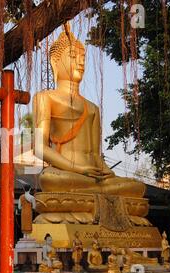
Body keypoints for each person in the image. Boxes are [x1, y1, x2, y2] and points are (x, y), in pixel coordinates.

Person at [33, 23, 145, 197]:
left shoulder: (92, 108)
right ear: (55, 62)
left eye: (83, 57)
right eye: (73, 56)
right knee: (49, 180)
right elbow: (39, 148)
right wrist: (78, 169)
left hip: (92, 175)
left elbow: (95, 154)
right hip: (67, 173)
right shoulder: (45, 98)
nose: (80, 61)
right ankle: (100, 192)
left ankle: (100, 191)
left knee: (136, 187)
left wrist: (106, 172)